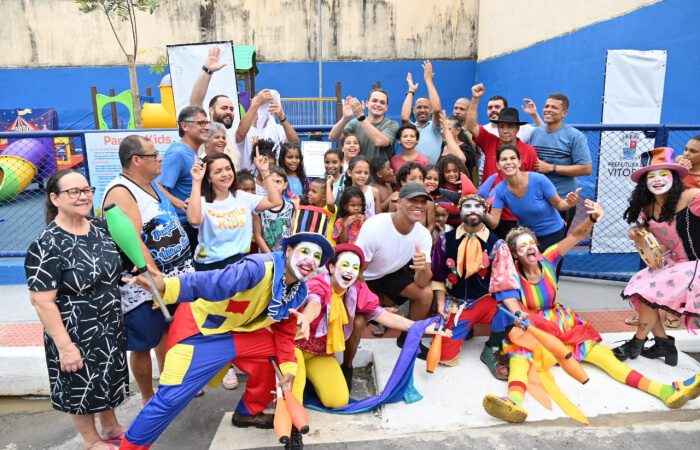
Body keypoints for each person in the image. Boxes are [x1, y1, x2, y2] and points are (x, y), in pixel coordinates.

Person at [119, 208, 335, 450]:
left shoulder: (298, 290)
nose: (310, 260)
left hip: (239, 332)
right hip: (200, 332)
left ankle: (248, 412)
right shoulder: (257, 267)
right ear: (288, 251)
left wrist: (289, 370)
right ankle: (130, 448)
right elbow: (211, 281)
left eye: (317, 257)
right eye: (305, 251)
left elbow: (284, 331)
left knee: (277, 353)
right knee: (170, 399)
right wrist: (166, 285)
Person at [483, 201, 700, 424]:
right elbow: (512, 303)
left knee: (604, 356)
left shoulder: (548, 258)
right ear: (515, 254)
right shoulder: (513, 275)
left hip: (563, 324)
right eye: (522, 246)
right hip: (535, 328)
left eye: (531, 243)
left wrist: (592, 218)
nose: (529, 247)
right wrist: (520, 316)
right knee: (519, 359)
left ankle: (664, 390)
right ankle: (513, 403)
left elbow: (576, 234)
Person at [25, 169, 128, 450]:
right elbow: (42, 300)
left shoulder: (100, 227)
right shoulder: (46, 245)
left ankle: (110, 426)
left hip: (108, 323)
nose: (83, 196)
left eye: (86, 190)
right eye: (74, 192)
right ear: (55, 198)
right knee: (79, 384)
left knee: (107, 376)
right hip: (74, 329)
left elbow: (109, 269)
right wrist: (65, 346)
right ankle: (91, 440)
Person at [293, 244, 450, 405]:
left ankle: (308, 375)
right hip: (294, 348)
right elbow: (314, 302)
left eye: (355, 267)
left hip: (321, 353)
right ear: (332, 267)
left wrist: (421, 327)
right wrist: (306, 318)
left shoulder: (356, 289)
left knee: (338, 401)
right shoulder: (318, 284)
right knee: (294, 394)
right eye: (345, 265)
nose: (349, 271)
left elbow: (382, 315)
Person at [102, 136, 193, 407]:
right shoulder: (121, 191)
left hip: (172, 277)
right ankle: (147, 396)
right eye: (155, 154)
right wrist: (154, 278)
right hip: (144, 283)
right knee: (144, 340)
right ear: (136, 160)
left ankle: (170, 384)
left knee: (170, 332)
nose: (160, 158)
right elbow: (132, 240)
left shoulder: (151, 183)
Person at [612, 147, 700, 364]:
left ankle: (635, 343)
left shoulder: (692, 198)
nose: (658, 179)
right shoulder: (648, 207)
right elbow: (657, 240)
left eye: (664, 174)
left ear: (674, 177)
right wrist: (638, 234)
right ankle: (664, 344)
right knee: (640, 288)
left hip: (695, 265)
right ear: (645, 182)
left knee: (648, 294)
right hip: (675, 263)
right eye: (652, 175)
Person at [431, 194, 509, 379]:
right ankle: (465, 328)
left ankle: (492, 348)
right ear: (459, 211)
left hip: (485, 301)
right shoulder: (444, 240)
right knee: (445, 356)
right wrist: (441, 305)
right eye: (467, 206)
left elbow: (504, 283)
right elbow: (438, 276)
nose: (473, 210)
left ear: (485, 210)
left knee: (510, 316)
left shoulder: (497, 244)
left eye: (477, 206)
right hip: (457, 305)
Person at [353, 183, 434, 361]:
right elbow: (356, 270)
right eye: (413, 200)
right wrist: (373, 305)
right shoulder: (376, 226)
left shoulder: (423, 234)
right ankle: (347, 364)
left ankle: (409, 339)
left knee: (426, 294)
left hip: (390, 273)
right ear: (398, 202)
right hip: (363, 277)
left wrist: (421, 268)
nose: (419, 205)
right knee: (358, 321)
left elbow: (422, 282)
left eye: (423, 201)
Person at [187, 151, 282, 271]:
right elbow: (194, 221)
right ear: (208, 178)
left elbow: (275, 201)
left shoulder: (243, 197)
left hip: (240, 264)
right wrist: (196, 181)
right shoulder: (200, 201)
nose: (225, 174)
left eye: (228, 168)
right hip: (211, 267)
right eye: (218, 171)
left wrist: (264, 172)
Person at [484, 145, 579, 253]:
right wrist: (478, 208)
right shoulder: (499, 190)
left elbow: (559, 204)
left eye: (512, 158)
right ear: (498, 165)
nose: (508, 162)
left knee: (548, 269)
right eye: (504, 159)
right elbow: (493, 223)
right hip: (527, 238)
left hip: (553, 233)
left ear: (519, 162)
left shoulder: (539, 180)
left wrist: (570, 203)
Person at [529, 93, 592, 232]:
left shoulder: (575, 136)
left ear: (564, 113)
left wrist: (552, 167)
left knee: (556, 247)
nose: (548, 110)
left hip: (563, 200)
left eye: (554, 107)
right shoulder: (536, 132)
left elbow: (586, 168)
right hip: (537, 200)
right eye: (546, 106)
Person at [158, 105, 210, 256]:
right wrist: (179, 203)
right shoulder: (178, 153)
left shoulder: (190, 152)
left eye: (207, 123)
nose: (206, 127)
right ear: (184, 126)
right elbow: (156, 185)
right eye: (201, 123)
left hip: (195, 224)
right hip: (185, 227)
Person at [466, 83, 538, 183]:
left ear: (517, 129)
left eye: (510, 126)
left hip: (516, 198)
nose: (505, 130)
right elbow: (470, 125)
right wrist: (475, 98)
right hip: (490, 197)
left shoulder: (530, 151)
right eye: (501, 126)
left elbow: (531, 182)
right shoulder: (489, 142)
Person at [236, 89, 300, 172]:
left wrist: (282, 117)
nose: (266, 108)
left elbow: (294, 142)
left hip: (270, 180)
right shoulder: (246, 127)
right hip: (248, 180)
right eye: (263, 103)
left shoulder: (276, 128)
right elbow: (239, 135)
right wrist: (256, 104)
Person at [329, 89, 400, 162]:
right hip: (358, 172)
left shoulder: (391, 124)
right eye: (374, 101)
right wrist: (345, 118)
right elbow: (333, 137)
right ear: (367, 103)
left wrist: (360, 116)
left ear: (386, 107)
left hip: (380, 173)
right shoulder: (355, 123)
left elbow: (379, 141)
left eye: (382, 102)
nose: (378, 104)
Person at [399, 60, 443, 163]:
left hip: (431, 175)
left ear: (430, 110)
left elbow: (437, 109)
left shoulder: (435, 126)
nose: (422, 110)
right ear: (414, 110)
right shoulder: (411, 128)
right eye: (419, 107)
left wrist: (428, 80)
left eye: (426, 107)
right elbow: (404, 117)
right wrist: (411, 90)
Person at [189, 46, 237, 131]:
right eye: (224, 108)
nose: (229, 112)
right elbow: (195, 103)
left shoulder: (229, 136)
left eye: (231, 109)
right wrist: (207, 71)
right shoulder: (204, 131)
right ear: (211, 110)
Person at [253, 166, 297, 253]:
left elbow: (293, 231)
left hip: (286, 255)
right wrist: (271, 256)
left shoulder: (291, 207)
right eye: (271, 181)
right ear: (264, 183)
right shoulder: (259, 207)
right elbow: (258, 235)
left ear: (285, 185)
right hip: (266, 257)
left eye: (278, 181)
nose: (274, 185)